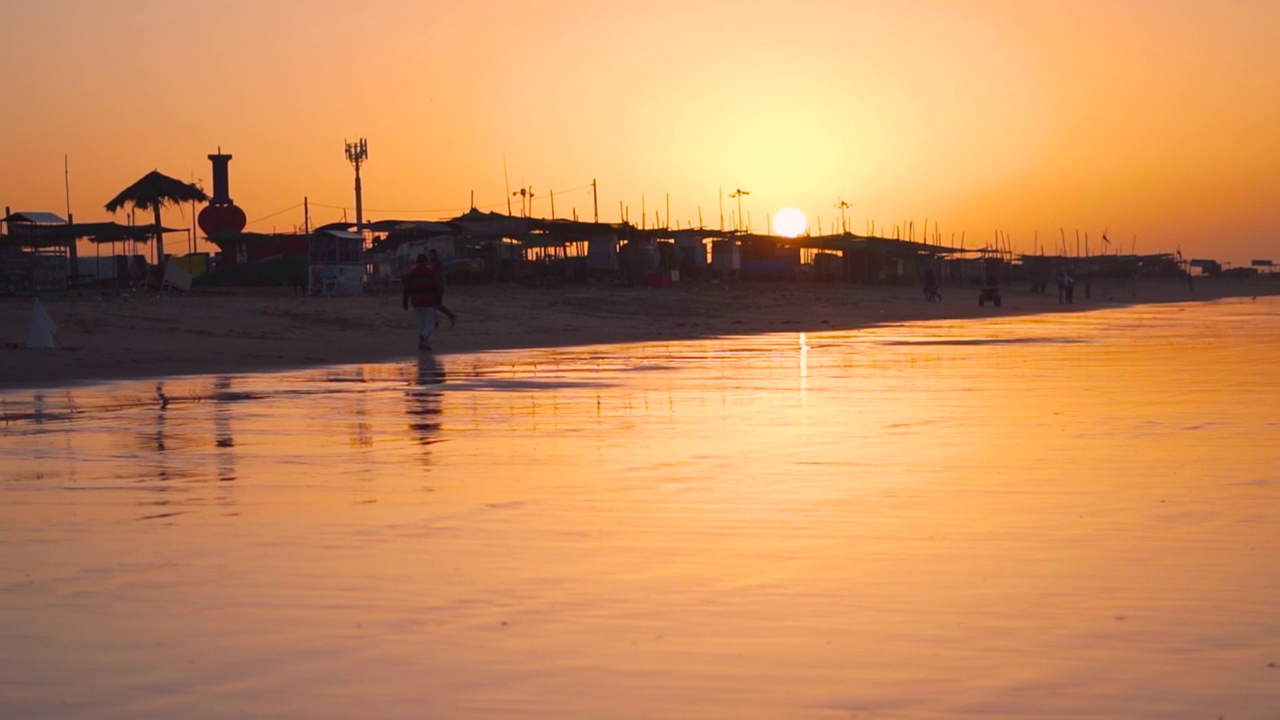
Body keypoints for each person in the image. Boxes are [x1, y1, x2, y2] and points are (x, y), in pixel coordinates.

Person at [402, 253, 442, 351]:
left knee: (421, 323)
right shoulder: (430, 272)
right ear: (426, 261)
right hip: (428, 300)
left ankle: (423, 343)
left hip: (415, 301)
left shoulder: (411, 273)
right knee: (431, 323)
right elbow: (436, 287)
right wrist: (438, 299)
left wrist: (405, 301)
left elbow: (406, 289)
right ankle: (424, 337)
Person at [427, 249, 458, 327]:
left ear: (434, 255)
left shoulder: (437, 264)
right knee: (434, 305)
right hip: (436, 287)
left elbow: (436, 277)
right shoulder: (435, 264)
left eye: (430, 254)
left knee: (436, 305)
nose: (429, 256)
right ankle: (436, 322)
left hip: (437, 288)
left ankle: (451, 316)